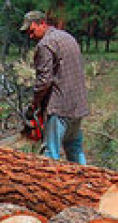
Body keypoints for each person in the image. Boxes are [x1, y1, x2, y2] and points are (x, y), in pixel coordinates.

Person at [21, 10, 89, 165]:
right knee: (74, 147)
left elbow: (44, 81)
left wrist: (34, 104)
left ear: (42, 24)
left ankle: (48, 187)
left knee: (51, 152)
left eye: (32, 31)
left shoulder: (45, 44)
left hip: (59, 106)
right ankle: (87, 184)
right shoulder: (66, 37)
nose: (30, 36)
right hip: (78, 103)